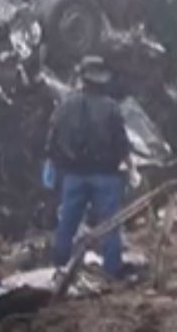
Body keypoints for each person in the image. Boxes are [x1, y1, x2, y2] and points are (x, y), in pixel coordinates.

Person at [47, 56, 135, 278]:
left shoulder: (65, 106)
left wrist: (54, 167)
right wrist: (131, 168)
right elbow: (122, 144)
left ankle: (58, 267)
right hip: (106, 176)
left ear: (82, 79)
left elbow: (52, 140)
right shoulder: (112, 108)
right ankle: (112, 269)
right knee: (109, 224)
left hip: (74, 176)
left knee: (67, 221)